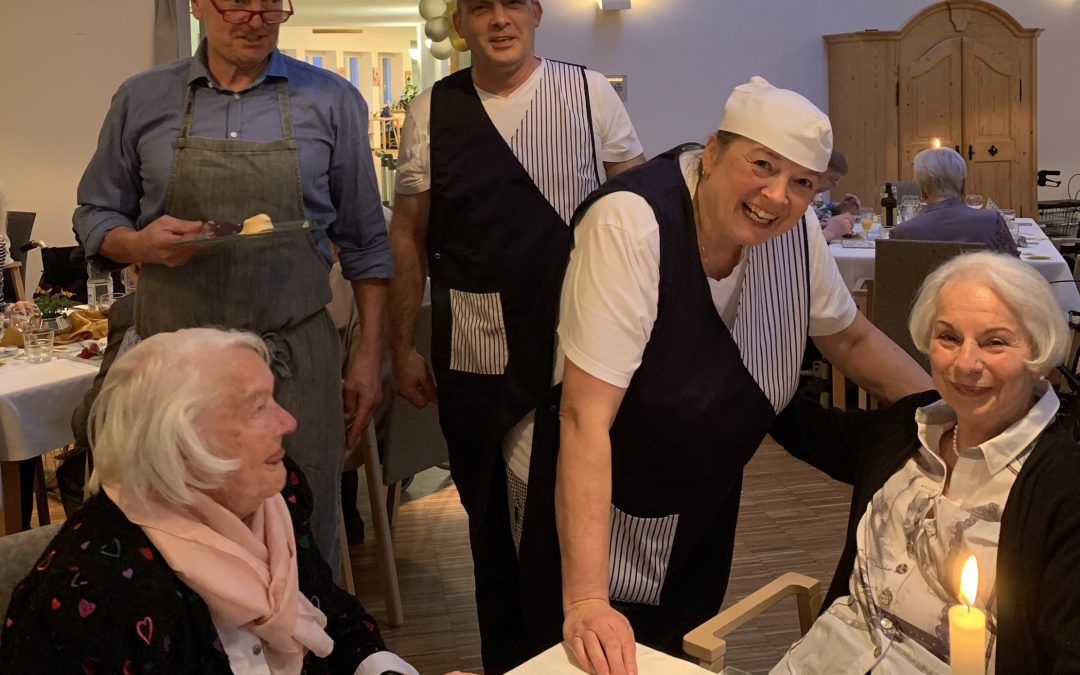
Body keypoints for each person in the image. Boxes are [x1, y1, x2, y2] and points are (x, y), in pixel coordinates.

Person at [520, 76, 933, 674]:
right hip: (597, 491)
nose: (776, 195)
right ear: (711, 153)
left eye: (802, 183)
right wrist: (586, 598)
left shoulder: (796, 234)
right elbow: (585, 416)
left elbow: (848, 337)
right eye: (760, 164)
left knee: (677, 649)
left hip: (702, 486)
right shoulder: (633, 223)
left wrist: (951, 416)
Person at [72, 0, 392, 570]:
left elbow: (367, 242)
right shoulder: (142, 98)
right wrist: (141, 245)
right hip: (177, 370)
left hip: (293, 362)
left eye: (273, 3)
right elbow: (96, 216)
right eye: (236, 0)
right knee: (180, 535)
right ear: (197, 4)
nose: (256, 16)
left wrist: (368, 357)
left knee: (303, 531)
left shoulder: (331, 99)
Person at [387, 0, 644, 671]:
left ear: (535, 13)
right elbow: (408, 235)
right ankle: (509, 659)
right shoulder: (432, 110)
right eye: (480, 7)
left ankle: (579, 648)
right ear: (460, 23)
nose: (498, 19)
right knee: (490, 523)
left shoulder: (589, 94)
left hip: (578, 343)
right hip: (473, 351)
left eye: (512, 3)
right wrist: (401, 345)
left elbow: (639, 214)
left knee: (577, 514)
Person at [0, 328, 418, 675]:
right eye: (257, 408)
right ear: (180, 442)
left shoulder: (276, 494)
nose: (288, 422)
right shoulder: (91, 600)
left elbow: (331, 612)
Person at [769, 251, 1079, 673]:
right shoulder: (908, 427)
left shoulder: (1063, 488)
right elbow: (808, 430)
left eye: (995, 342)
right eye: (948, 337)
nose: (965, 364)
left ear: (1039, 354)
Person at [890, 147, 1019, 255]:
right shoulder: (991, 221)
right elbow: (1016, 270)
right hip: (979, 285)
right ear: (963, 185)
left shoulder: (903, 232)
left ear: (922, 189)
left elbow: (893, 282)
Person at [811, 149, 861, 243]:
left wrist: (839, 208)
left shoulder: (817, 194)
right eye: (833, 179)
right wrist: (831, 230)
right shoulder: (801, 198)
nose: (836, 185)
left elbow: (820, 212)